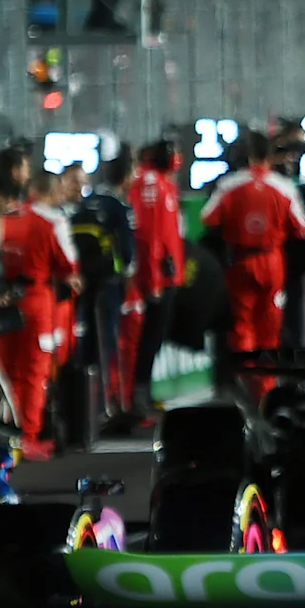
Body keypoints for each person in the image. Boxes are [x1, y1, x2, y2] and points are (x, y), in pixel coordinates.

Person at [0, 147, 79, 454]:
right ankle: (27, 437)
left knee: (5, 370)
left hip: (2, 304)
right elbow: (69, 267)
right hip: (37, 303)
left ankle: (7, 434)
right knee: (34, 372)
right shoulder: (48, 222)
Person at [204, 136, 305, 360]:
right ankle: (266, 377)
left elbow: (208, 218)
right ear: (270, 155)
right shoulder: (283, 187)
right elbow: (302, 228)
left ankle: (247, 373)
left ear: (249, 154)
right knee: (270, 323)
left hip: (241, 260)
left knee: (242, 323)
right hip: (272, 260)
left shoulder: (230, 185)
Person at [71, 155, 138, 435]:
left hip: (83, 284)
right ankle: (105, 407)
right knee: (105, 345)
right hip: (108, 285)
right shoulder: (118, 208)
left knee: (85, 344)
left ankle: (86, 408)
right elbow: (128, 252)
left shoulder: (85, 205)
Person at [126, 139, 187, 410]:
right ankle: (138, 394)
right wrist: (153, 279)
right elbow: (149, 235)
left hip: (165, 274)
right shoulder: (151, 184)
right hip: (156, 278)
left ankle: (144, 391)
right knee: (149, 336)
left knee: (156, 335)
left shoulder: (163, 184)